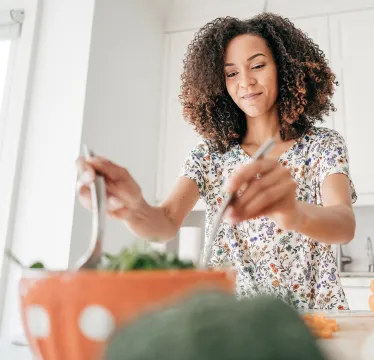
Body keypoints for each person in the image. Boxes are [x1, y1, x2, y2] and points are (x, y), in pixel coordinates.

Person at [76, 13, 357, 310]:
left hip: (314, 320)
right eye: (231, 73)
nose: (246, 82)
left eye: (258, 66)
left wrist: (293, 214)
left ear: (285, 69)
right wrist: (132, 207)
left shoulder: (323, 145)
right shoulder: (209, 155)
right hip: (232, 321)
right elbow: (166, 223)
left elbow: (343, 224)